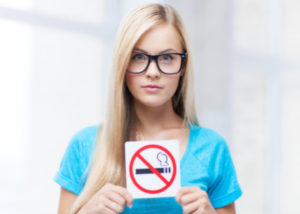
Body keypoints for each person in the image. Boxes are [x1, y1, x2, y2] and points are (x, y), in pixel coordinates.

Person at [54, 3, 242, 214]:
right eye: (139, 57)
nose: (153, 72)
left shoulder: (211, 148)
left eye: (167, 58)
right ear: (122, 64)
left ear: (183, 67)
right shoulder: (85, 146)